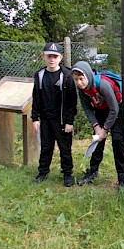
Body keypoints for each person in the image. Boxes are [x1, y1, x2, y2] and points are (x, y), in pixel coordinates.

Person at [71, 61, 124, 188]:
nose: (79, 83)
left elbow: (114, 109)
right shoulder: (82, 90)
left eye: (81, 79)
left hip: (116, 109)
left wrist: (105, 129)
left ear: (87, 75)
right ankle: (92, 171)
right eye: (76, 80)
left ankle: (122, 175)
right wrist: (97, 127)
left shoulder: (102, 84)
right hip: (101, 110)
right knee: (97, 140)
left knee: (118, 141)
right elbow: (87, 109)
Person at [31, 42, 78, 187]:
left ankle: (67, 174)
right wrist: (35, 118)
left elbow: (72, 101)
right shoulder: (39, 75)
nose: (52, 59)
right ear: (43, 57)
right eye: (49, 56)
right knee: (46, 147)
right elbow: (36, 98)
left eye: (55, 56)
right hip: (46, 119)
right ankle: (43, 172)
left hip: (62, 120)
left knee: (65, 147)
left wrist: (69, 121)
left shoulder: (67, 75)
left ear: (60, 58)